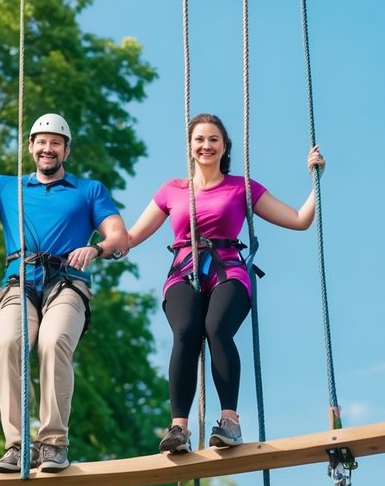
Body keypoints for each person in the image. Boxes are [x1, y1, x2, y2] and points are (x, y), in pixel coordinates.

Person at [0, 112, 128, 473]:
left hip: (66, 282)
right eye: (42, 142)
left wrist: (95, 249)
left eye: (56, 143)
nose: (48, 149)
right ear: (31, 147)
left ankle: (53, 443)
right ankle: (18, 444)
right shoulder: (8, 188)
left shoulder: (88, 190)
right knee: (8, 341)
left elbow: (118, 236)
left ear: (66, 151)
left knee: (53, 341)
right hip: (20, 283)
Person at [127, 113, 325, 453]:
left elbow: (299, 220)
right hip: (184, 270)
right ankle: (178, 428)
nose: (206, 145)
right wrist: (97, 244)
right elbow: (130, 237)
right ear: (190, 146)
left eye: (213, 139)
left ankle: (230, 420)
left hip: (228, 270)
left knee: (216, 328)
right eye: (200, 139)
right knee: (187, 332)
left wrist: (316, 180)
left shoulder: (241, 187)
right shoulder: (172, 191)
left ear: (224, 146)